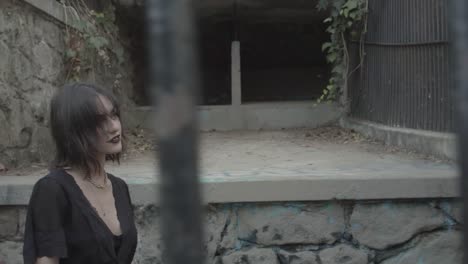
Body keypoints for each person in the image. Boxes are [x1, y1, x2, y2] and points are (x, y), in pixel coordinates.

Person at [23, 83, 138, 264]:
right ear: (74, 130)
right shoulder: (52, 190)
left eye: (114, 114)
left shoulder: (119, 187)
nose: (114, 127)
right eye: (99, 121)